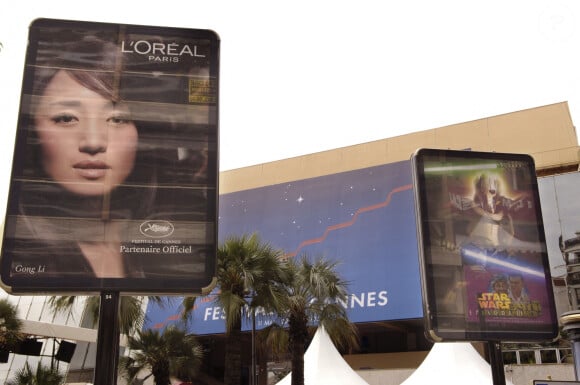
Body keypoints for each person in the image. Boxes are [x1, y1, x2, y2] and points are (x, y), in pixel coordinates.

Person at [4, 27, 213, 286]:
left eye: (117, 118)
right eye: (66, 118)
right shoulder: (25, 256)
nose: (93, 142)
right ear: (33, 130)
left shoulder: (170, 250)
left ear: (140, 132)